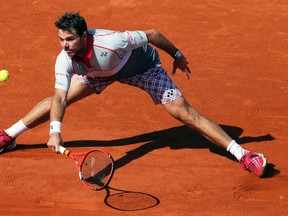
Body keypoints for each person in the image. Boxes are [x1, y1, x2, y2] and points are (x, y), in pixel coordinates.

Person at [0, 12, 267, 177]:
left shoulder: (113, 41)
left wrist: (176, 54)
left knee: (183, 113)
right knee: (63, 98)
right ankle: (8, 136)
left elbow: (152, 34)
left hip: (143, 68)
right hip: (98, 74)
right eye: (60, 39)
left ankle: (243, 154)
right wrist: (55, 130)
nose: (64, 45)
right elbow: (59, 97)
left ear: (83, 36)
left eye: (69, 39)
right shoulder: (65, 59)